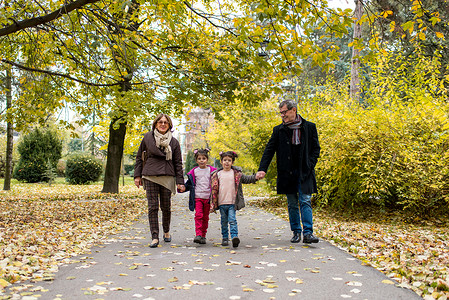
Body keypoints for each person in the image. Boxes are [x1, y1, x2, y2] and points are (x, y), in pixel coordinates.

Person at [256, 99, 320, 244]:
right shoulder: (279, 130)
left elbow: (316, 149)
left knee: (305, 200)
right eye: (281, 113)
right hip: (287, 172)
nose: (282, 115)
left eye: (284, 112)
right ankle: (296, 232)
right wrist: (262, 169)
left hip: (305, 171)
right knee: (292, 203)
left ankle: (308, 233)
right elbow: (269, 150)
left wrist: (310, 164)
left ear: (294, 110)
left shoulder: (309, 127)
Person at [134, 114, 185, 248]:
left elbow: (178, 163)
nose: (163, 124)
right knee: (152, 207)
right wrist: (137, 176)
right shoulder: (147, 138)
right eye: (160, 122)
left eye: (166, 122)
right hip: (150, 175)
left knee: (166, 207)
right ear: (155, 124)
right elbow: (139, 157)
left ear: (169, 125)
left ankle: (166, 231)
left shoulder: (174, 142)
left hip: (167, 176)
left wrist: (180, 181)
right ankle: (154, 237)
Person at [210, 151, 258, 248]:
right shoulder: (217, 174)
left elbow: (247, 179)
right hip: (221, 203)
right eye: (225, 160)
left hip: (232, 202)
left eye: (229, 160)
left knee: (232, 220)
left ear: (232, 162)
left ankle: (234, 237)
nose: (227, 162)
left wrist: (255, 177)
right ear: (221, 161)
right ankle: (225, 238)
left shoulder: (236, 174)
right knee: (224, 221)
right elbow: (213, 189)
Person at [183, 148, 217, 245]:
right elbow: (189, 184)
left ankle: (203, 236)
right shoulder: (194, 171)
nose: (201, 160)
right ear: (196, 160)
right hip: (197, 197)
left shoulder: (212, 171)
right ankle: (198, 234)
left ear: (207, 159)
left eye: (203, 158)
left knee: (205, 217)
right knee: (199, 215)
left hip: (207, 198)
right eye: (199, 159)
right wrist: (183, 188)